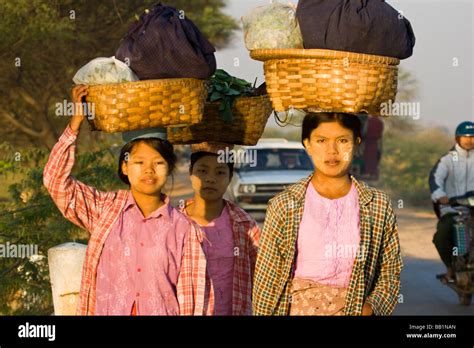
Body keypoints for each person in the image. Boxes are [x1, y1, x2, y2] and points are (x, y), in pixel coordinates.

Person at [43, 85, 193, 315]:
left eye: (159, 163)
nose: (149, 171)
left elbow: (191, 296)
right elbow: (55, 181)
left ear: (170, 168)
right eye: (139, 162)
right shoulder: (106, 210)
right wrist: (75, 123)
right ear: (125, 166)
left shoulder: (182, 228)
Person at [253, 112, 402, 316]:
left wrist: (372, 307)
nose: (332, 151)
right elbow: (267, 277)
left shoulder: (377, 204)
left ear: (356, 143)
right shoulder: (284, 204)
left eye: (342, 140)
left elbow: (390, 270)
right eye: (321, 140)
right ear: (308, 144)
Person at [178, 142, 260, 315]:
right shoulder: (174, 223)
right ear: (191, 173)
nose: (210, 178)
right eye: (202, 171)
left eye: (220, 172)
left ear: (230, 177)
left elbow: (261, 277)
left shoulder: (244, 224)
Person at [429, 121, 474, 283]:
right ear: (457, 138)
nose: (469, 140)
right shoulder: (448, 159)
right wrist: (440, 195)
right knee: (441, 235)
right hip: (454, 208)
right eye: (465, 137)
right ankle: (450, 267)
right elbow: (435, 179)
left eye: (472, 137)